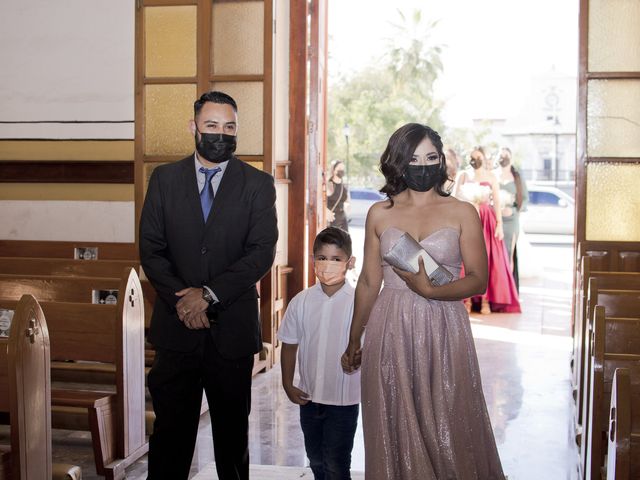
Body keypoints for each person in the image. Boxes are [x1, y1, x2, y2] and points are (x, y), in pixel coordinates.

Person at [342, 123, 505, 479]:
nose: (424, 165)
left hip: (444, 325)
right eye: (414, 158)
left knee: (448, 420)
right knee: (394, 417)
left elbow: (478, 279)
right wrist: (355, 338)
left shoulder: (462, 211)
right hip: (391, 328)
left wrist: (431, 291)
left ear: (442, 161)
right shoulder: (379, 213)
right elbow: (370, 281)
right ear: (398, 163)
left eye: (431, 157)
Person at [139, 90, 278, 480]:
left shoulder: (257, 184)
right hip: (176, 329)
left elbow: (260, 252)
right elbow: (151, 249)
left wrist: (209, 296)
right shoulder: (165, 179)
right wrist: (183, 301)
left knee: (232, 441)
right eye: (212, 126)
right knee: (170, 437)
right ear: (194, 128)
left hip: (230, 332)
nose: (221, 134)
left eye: (229, 127)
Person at [278, 226, 360, 480]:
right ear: (313, 260)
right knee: (315, 460)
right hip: (309, 399)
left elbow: (370, 347)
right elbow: (289, 345)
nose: (328, 265)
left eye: (336, 259)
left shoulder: (359, 303)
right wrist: (287, 384)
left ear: (350, 262)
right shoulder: (301, 301)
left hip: (344, 401)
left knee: (337, 464)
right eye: (322, 258)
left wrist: (359, 356)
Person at [455, 146, 521, 314]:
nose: (475, 161)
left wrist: (499, 224)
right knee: (467, 259)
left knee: (488, 259)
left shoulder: (491, 176)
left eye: (478, 158)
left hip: (486, 220)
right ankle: (467, 300)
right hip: (468, 219)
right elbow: (455, 198)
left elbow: (497, 201)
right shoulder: (463, 175)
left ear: (484, 159)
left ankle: (485, 301)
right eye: (472, 158)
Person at [497, 147, 528, 291]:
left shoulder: (517, 178)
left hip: (512, 220)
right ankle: (497, 287)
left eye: (506, 156)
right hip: (497, 220)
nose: (504, 158)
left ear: (511, 158)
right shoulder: (494, 176)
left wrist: (514, 210)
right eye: (501, 155)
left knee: (509, 253)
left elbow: (525, 200)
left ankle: (509, 288)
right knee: (497, 255)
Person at [326, 160, 350, 232]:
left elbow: (347, 201)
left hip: (343, 220)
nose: (342, 170)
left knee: (345, 242)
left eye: (343, 168)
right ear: (333, 170)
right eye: (339, 168)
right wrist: (326, 211)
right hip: (331, 220)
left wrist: (347, 205)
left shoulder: (344, 186)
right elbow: (321, 201)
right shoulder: (329, 184)